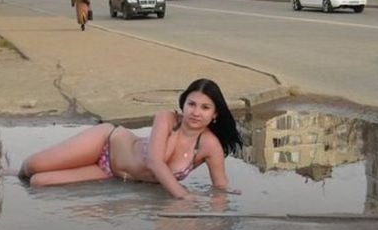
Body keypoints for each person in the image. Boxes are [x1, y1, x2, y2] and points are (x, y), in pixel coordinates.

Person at [18, 78, 243, 200]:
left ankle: (16, 175)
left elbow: (220, 186)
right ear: (182, 104)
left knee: (39, 182)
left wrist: (227, 202)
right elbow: (154, 161)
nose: (196, 112)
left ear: (215, 114)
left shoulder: (209, 146)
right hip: (106, 143)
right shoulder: (167, 119)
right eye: (191, 104)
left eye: (205, 107)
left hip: (111, 171)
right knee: (32, 167)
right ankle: (13, 172)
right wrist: (183, 195)